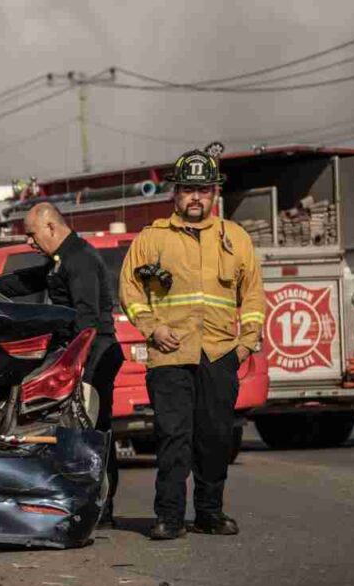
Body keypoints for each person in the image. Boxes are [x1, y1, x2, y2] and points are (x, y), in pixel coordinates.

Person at [119, 150, 264, 540]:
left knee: (215, 438)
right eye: (188, 190)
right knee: (173, 437)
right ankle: (168, 516)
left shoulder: (236, 239)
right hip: (170, 355)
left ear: (214, 192)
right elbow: (130, 290)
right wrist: (151, 328)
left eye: (203, 190)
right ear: (175, 194)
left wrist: (245, 346)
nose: (195, 198)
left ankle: (209, 513)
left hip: (219, 353)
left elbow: (252, 296)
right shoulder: (153, 238)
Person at [0, 202, 124, 526]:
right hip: (84, 355)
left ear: (51, 227)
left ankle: (102, 505)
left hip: (94, 356)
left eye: (32, 234)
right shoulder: (62, 259)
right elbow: (30, 280)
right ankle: (86, 500)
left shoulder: (80, 259)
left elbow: (85, 321)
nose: (30, 242)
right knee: (79, 431)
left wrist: (74, 365)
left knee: (93, 433)